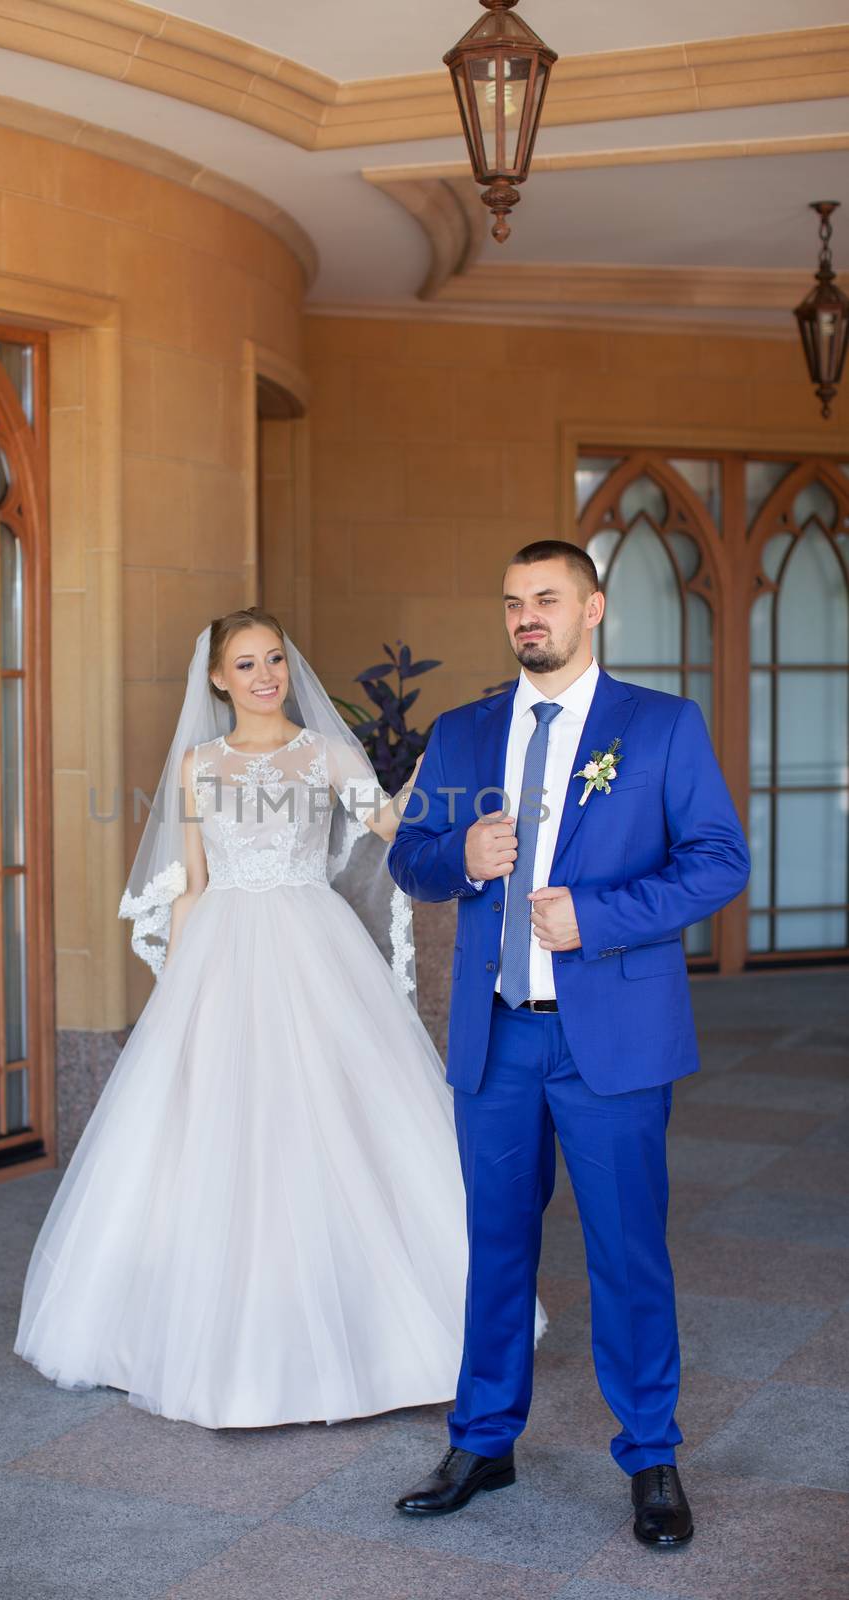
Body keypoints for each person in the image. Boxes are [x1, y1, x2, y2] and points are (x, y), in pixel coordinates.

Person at [14, 607, 545, 1429]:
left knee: (335, 1120)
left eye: (273, 660)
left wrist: (452, 803)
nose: (264, 675)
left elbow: (393, 831)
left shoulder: (327, 753)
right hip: (222, 953)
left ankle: (382, 1329)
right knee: (219, 1128)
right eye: (246, 663)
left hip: (311, 944)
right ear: (218, 679)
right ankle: (210, 1336)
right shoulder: (197, 765)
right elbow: (191, 884)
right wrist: (175, 997)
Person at [388, 541, 749, 1547]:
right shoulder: (462, 733)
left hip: (611, 1043)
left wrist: (598, 914)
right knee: (494, 1243)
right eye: (511, 603)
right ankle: (482, 1439)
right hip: (494, 1035)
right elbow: (410, 859)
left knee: (626, 1252)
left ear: (591, 607)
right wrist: (457, 854)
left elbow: (718, 861)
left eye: (545, 599)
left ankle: (650, 1456)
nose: (525, 618)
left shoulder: (659, 727)